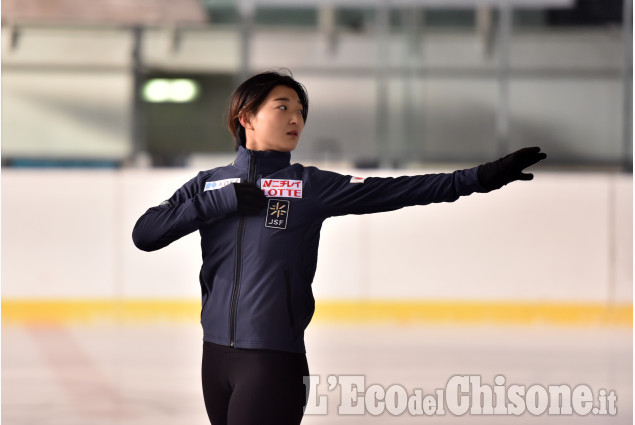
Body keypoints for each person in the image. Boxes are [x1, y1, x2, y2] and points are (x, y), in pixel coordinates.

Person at [132, 69, 546, 425]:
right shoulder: (209, 184)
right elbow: (146, 233)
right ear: (246, 117)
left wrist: (481, 177)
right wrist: (217, 202)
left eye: (301, 112)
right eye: (283, 107)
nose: (297, 119)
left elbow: (402, 190)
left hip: (272, 359)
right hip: (215, 356)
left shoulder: (310, 186)